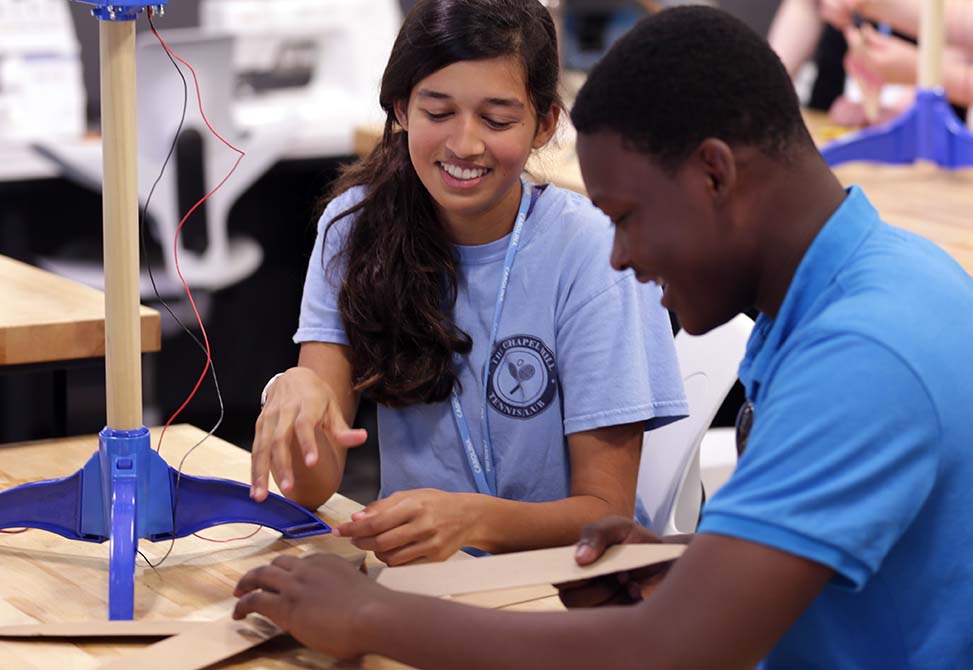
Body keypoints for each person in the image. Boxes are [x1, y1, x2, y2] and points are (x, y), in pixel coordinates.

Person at [233, 6, 973, 668]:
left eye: (623, 216)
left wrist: (370, 615)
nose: (618, 255)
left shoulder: (862, 357)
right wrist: (697, 566)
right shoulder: (862, 290)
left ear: (712, 175)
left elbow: (674, 650)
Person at [250, 0, 687, 566]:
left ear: (545, 124)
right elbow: (312, 488)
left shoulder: (593, 252)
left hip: (574, 581)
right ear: (401, 108)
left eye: (498, 120)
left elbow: (607, 514)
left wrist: (472, 518)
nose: (465, 145)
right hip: (426, 579)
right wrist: (296, 398)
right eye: (437, 113)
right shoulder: (355, 228)